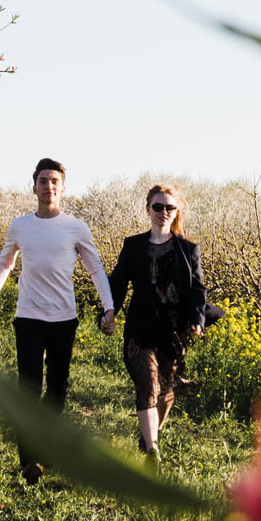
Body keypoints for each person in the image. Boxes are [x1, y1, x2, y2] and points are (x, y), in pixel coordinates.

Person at [0, 157, 112, 482]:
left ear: (62, 188)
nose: (48, 186)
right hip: (28, 317)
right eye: (43, 181)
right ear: (34, 186)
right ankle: (30, 459)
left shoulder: (76, 228)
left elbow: (95, 269)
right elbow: (5, 264)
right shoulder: (20, 226)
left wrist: (108, 307)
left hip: (64, 319)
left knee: (57, 389)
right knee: (28, 387)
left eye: (54, 181)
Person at [99, 182, 206, 457]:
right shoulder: (133, 246)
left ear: (176, 211)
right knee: (147, 382)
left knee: (166, 393)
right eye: (158, 207)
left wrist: (197, 319)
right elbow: (118, 282)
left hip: (173, 333)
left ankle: (148, 436)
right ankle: (152, 451)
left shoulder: (188, 249)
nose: (163, 212)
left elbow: (197, 289)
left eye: (169, 207)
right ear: (148, 209)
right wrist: (109, 312)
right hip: (140, 329)